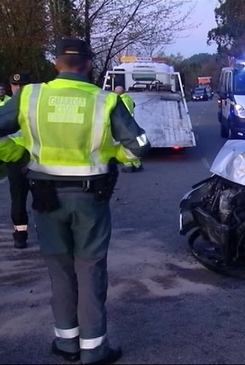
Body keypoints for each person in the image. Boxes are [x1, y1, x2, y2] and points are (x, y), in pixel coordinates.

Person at [0, 37, 151, 364]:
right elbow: (139, 144)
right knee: (90, 269)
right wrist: (114, 156)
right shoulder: (106, 101)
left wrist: (19, 155)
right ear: (88, 64)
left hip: (44, 197)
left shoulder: (30, 95)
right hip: (89, 198)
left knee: (60, 270)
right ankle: (94, 349)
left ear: (56, 63)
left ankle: (66, 344)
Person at [5, 73, 32, 248]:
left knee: (44, 198)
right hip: (16, 159)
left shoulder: (36, 106)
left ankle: (50, 234)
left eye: (22, 85)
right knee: (18, 198)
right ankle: (20, 234)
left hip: (37, 158)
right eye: (15, 85)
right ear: (11, 87)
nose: (18, 88)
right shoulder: (7, 108)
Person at [113, 86, 143, 173]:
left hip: (123, 125)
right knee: (132, 145)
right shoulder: (128, 98)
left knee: (123, 146)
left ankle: (128, 166)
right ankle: (137, 164)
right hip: (130, 124)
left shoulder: (119, 101)